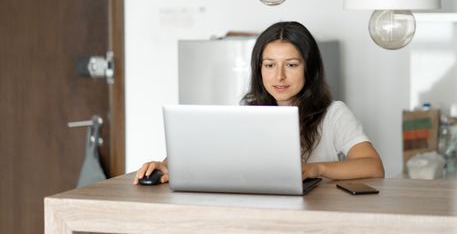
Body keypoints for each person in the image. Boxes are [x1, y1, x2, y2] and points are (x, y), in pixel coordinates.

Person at [133, 21, 384, 185]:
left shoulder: (333, 114)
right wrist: (164, 165)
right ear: (259, 69)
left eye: (292, 65)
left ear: (311, 69)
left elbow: (373, 166)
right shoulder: (250, 114)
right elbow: (203, 150)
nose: (279, 76)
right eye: (270, 65)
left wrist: (313, 169)